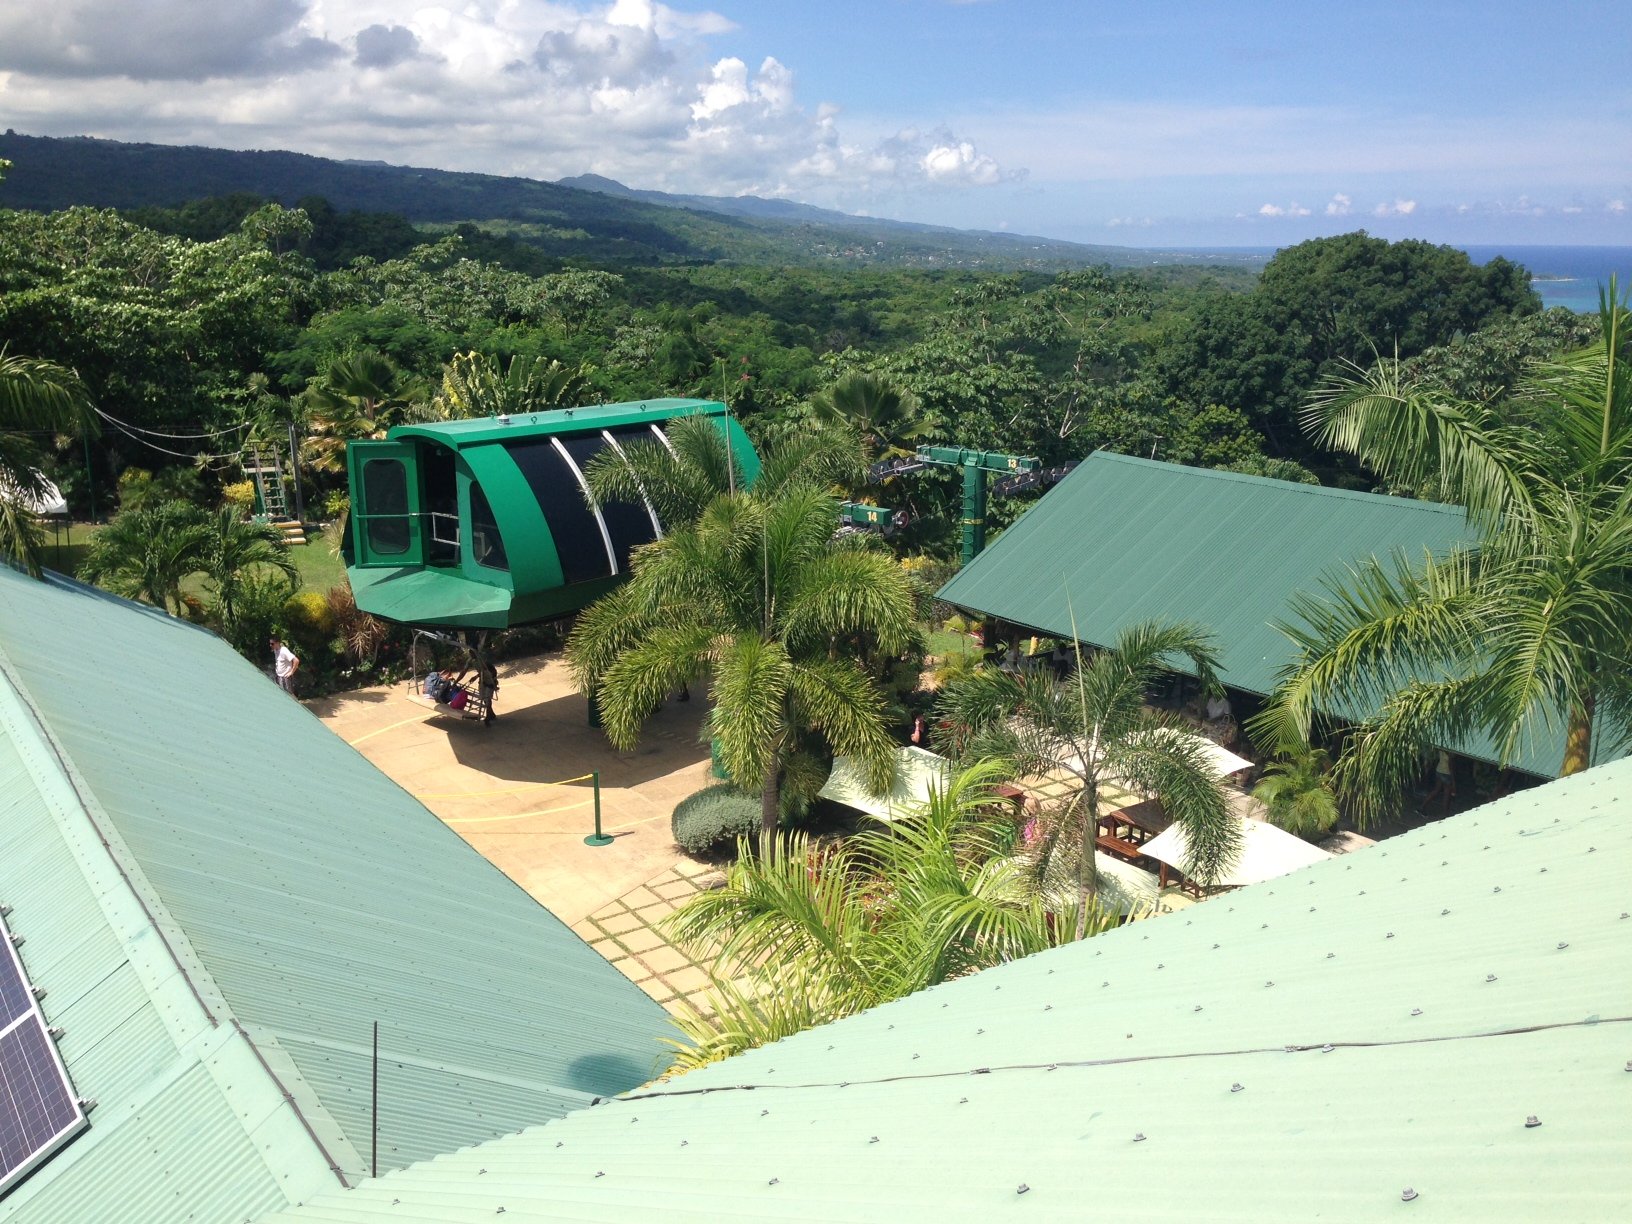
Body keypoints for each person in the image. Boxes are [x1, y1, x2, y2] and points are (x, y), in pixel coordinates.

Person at [477, 661, 498, 726]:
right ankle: (491, 714)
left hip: (489, 685)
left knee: (488, 701)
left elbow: (493, 677)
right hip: (484, 684)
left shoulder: (490, 670)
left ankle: (488, 718)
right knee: (486, 701)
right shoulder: (481, 668)